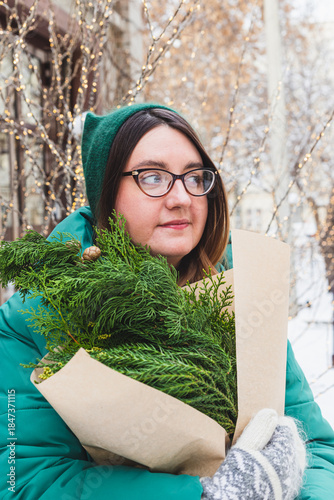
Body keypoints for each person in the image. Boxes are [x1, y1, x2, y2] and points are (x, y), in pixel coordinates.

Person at [0, 103, 333, 500]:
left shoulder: (240, 298)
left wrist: (294, 478)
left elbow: (318, 449)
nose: (181, 198)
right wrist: (207, 495)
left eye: (195, 177)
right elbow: (26, 479)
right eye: (153, 177)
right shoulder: (34, 318)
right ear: (107, 192)